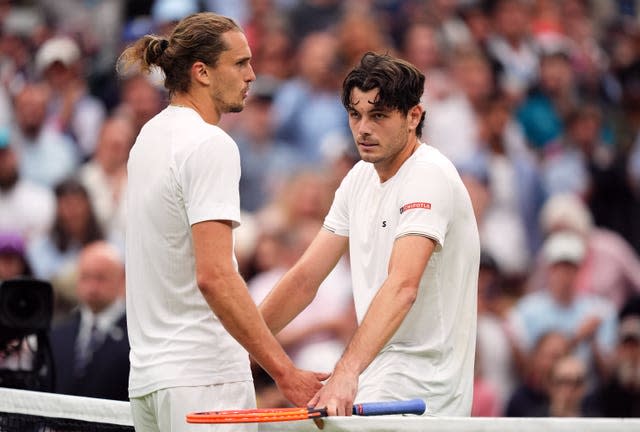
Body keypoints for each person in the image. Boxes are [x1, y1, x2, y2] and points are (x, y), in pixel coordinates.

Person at [117, 12, 327, 432]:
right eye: (240, 63)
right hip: (204, 382)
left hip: (148, 383)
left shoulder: (148, 138)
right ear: (202, 72)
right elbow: (214, 275)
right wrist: (284, 371)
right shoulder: (211, 144)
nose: (252, 74)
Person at [259, 52, 480, 416]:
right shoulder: (358, 178)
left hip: (427, 391)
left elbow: (403, 286)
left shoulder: (429, 174)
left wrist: (346, 371)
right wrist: (237, 346)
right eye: (355, 114)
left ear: (414, 117)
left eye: (378, 115)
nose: (363, 128)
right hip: (378, 376)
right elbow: (304, 279)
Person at [49, 241, 129, 401]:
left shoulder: (136, 338)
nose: (92, 287)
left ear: (122, 280)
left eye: (101, 278)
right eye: (86, 277)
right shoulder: (57, 334)